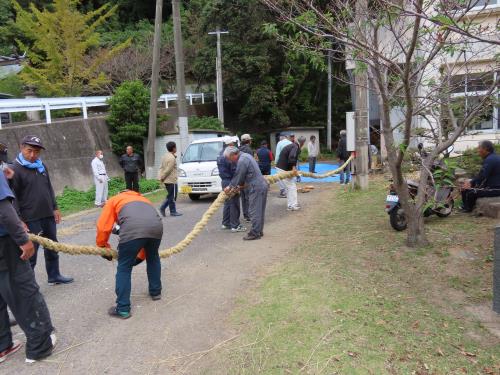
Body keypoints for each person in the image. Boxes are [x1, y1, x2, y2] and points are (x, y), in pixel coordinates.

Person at [0, 163, 56, 364]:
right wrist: (23, 240)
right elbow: (3, 210)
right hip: (5, 242)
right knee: (24, 290)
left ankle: (2, 345)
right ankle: (39, 346)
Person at [10, 136, 73, 285]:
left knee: (52, 247)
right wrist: (19, 220)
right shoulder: (14, 169)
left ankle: (54, 275)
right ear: (21, 148)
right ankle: (28, 285)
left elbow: (49, 188)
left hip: (47, 215)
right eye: (29, 151)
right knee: (31, 252)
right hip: (30, 218)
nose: (33, 155)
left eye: (36, 152)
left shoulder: (41, 166)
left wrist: (55, 207)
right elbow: (13, 197)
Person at [96, 190, 163, 319]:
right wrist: (139, 257)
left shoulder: (114, 199)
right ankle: (156, 292)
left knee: (124, 267)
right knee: (153, 258)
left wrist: (102, 246)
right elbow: (145, 235)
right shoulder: (144, 199)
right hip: (157, 227)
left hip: (133, 229)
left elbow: (103, 226)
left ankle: (123, 309)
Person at [224, 147, 268, 241]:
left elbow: (239, 175)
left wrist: (230, 186)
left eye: (229, 158)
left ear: (233, 155)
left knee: (254, 211)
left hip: (256, 186)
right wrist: (240, 186)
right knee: (259, 210)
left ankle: (255, 233)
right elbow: (247, 175)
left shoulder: (242, 160)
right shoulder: (246, 156)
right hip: (260, 184)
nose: (229, 161)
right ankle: (258, 231)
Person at [461, 140, 500, 212]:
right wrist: (472, 183)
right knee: (466, 189)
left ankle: (468, 208)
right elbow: (481, 175)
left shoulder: (490, 160)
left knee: (471, 193)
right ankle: (465, 206)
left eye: (479, 148)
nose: (478, 150)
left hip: (496, 189)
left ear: (485, 149)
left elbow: (482, 176)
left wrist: (471, 184)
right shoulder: (493, 157)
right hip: (493, 186)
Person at [218, 137, 245, 233]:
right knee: (234, 203)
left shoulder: (220, 155)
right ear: (230, 144)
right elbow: (235, 171)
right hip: (231, 181)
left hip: (224, 181)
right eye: (233, 143)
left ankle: (226, 223)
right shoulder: (229, 156)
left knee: (227, 203)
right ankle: (235, 225)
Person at [276, 134, 303, 211]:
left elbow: (291, 157)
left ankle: (290, 205)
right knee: (292, 186)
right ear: (302, 143)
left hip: (281, 168)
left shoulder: (291, 146)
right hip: (283, 169)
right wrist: (294, 168)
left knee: (289, 187)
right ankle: (293, 205)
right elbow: (292, 157)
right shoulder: (295, 146)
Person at [158, 142, 182, 217]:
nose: (176, 148)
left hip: (167, 180)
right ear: (174, 148)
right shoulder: (171, 158)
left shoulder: (165, 156)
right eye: (176, 147)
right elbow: (168, 170)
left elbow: (161, 167)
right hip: (171, 180)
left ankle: (172, 211)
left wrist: (160, 177)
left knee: (171, 195)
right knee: (172, 196)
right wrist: (162, 177)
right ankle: (163, 207)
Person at [239, 134, 254, 223]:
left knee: (243, 197)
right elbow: (251, 164)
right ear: (248, 141)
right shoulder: (248, 150)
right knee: (249, 197)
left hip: (240, 177)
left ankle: (245, 215)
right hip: (248, 177)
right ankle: (249, 215)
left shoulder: (238, 149)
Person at [275, 133, 292, 198]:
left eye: (279, 137)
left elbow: (277, 154)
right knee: (288, 177)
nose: (279, 138)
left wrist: (276, 163)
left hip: (281, 163)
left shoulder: (280, 143)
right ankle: (289, 191)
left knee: (279, 177)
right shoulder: (290, 143)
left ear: (282, 137)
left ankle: (283, 192)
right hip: (289, 163)